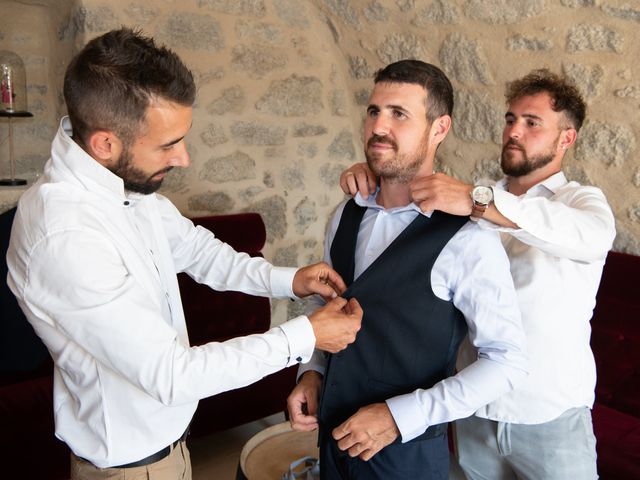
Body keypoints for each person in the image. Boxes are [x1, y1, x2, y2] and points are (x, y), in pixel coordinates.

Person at [6, 28, 363, 480]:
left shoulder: (122, 183)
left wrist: (287, 281)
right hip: (128, 468)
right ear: (105, 144)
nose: (185, 158)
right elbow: (172, 376)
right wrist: (305, 336)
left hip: (171, 446)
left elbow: (198, 250)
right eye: (168, 144)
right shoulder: (64, 236)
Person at [340, 68, 616, 479]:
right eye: (510, 119)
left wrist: (478, 200)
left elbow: (590, 238)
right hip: (473, 408)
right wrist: (373, 173)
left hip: (549, 412)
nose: (514, 131)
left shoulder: (579, 203)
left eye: (531, 122)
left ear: (566, 138)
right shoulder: (472, 197)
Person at [286, 59, 528, 480]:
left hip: (406, 458)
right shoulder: (344, 215)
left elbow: (507, 362)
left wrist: (399, 417)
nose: (380, 127)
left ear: (439, 129)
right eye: (374, 111)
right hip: (332, 443)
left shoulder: (469, 238)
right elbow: (329, 311)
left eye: (399, 114)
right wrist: (312, 372)